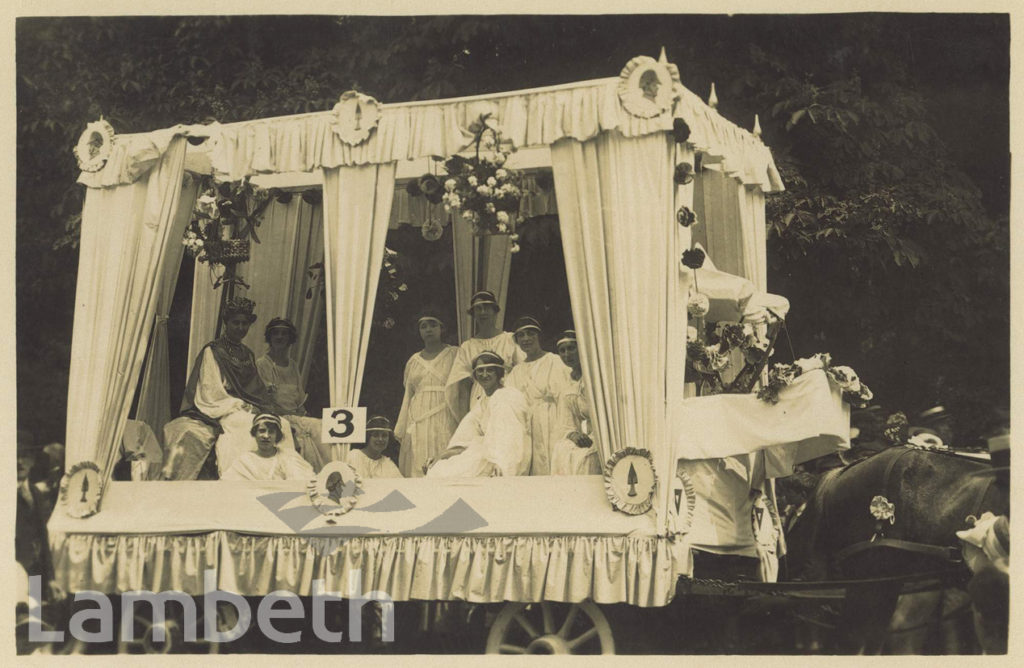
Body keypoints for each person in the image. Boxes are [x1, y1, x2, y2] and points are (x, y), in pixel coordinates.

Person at [180, 297, 297, 476]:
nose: (241, 328)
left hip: (248, 408)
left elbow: (256, 388)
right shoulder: (213, 351)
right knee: (247, 425)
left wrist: (261, 406)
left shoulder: (247, 353)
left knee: (284, 425)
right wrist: (238, 404)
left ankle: (282, 476)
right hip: (225, 408)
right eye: (236, 323)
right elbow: (210, 390)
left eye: (245, 323)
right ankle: (242, 477)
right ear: (226, 323)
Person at [427, 351, 530, 478]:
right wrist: (442, 456)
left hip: (504, 457)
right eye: (480, 371)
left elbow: (510, 436)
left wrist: (501, 464)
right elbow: (465, 438)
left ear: (498, 373)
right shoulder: (482, 402)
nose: (484, 375)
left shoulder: (506, 396)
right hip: (485, 452)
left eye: (490, 370)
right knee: (439, 470)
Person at [255, 317, 331, 471]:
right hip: (275, 415)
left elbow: (299, 398)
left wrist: (300, 414)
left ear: (290, 339)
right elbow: (264, 400)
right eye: (276, 333)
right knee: (304, 430)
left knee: (321, 426)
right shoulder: (262, 364)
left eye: (284, 334)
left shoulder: (294, 366)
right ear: (269, 337)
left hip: (295, 414)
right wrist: (289, 414)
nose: (280, 337)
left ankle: (328, 471)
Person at [394, 312, 459, 477]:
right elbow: (408, 394)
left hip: (445, 415)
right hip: (418, 418)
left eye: (433, 325)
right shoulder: (413, 361)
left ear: (441, 328)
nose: (428, 329)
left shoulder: (454, 354)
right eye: (424, 326)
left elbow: (462, 389)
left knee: (444, 459)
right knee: (417, 462)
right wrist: (403, 426)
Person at [504, 316, 572, 475]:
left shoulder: (555, 361)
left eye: (531, 334)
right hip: (527, 426)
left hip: (553, 421)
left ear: (539, 336)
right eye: (521, 335)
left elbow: (566, 398)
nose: (526, 339)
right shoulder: (516, 371)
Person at [445, 290, 524, 421]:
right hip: (478, 400)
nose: (482, 312)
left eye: (487, 308)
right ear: (473, 314)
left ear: (495, 311)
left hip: (508, 396)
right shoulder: (467, 346)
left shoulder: (510, 339)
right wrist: (466, 419)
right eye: (478, 309)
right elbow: (464, 387)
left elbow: (523, 372)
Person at [549, 330, 602, 476]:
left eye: (571, 348)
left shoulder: (593, 377)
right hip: (586, 436)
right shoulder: (567, 384)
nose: (567, 354)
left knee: (585, 456)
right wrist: (573, 435)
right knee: (561, 448)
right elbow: (567, 422)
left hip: (601, 434)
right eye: (562, 350)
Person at [222, 414, 315, 481]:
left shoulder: (289, 457)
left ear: (277, 435)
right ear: (254, 433)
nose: (266, 436)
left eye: (271, 432)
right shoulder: (245, 461)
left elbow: (301, 484)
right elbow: (229, 486)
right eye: (262, 431)